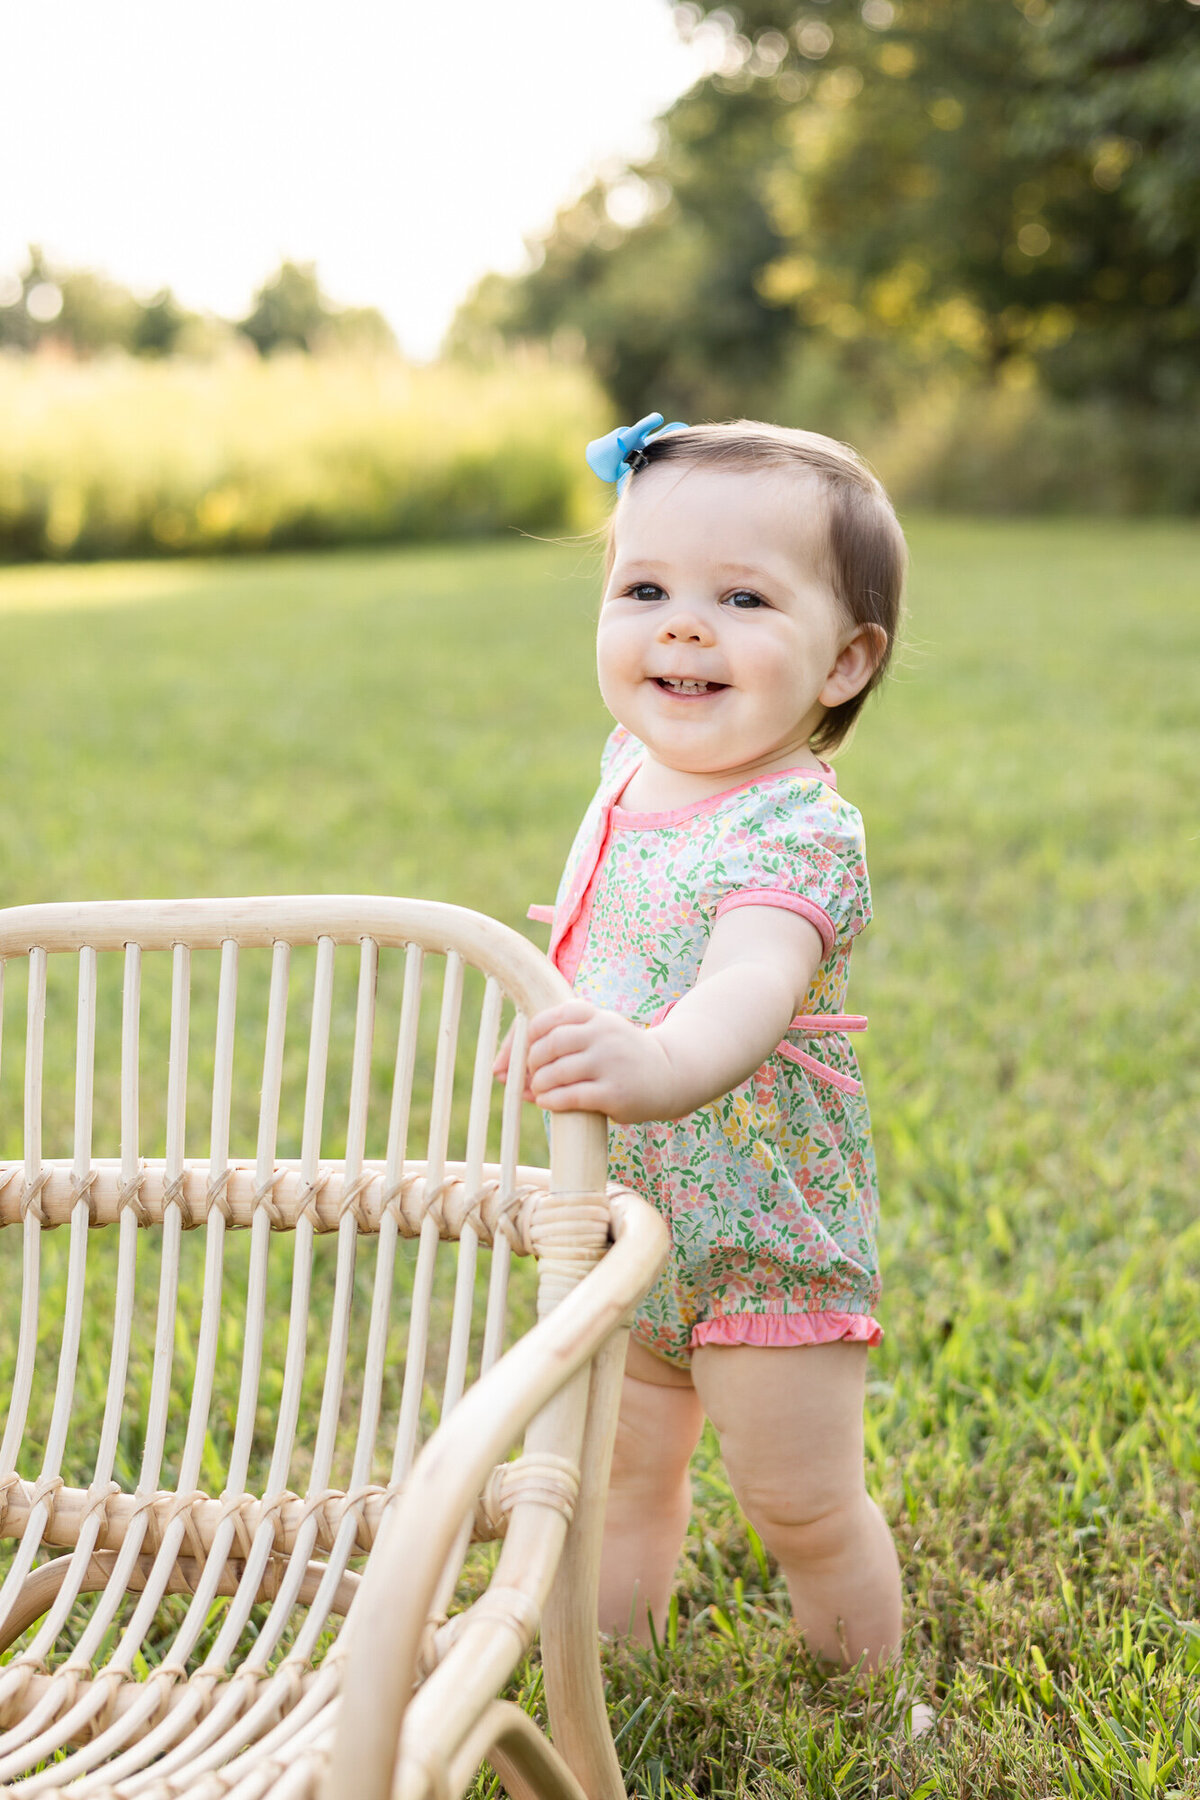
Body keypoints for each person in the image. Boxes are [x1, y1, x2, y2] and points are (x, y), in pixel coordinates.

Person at [498, 413, 908, 1680]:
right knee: (617, 1479)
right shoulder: (630, 766)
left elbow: (748, 987)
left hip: (758, 1240)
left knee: (798, 1499)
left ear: (843, 663)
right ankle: (619, 1668)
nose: (681, 625)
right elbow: (602, 944)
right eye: (645, 589)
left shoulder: (795, 831)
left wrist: (657, 1064)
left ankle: (861, 1696)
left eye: (740, 597)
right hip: (624, 1219)